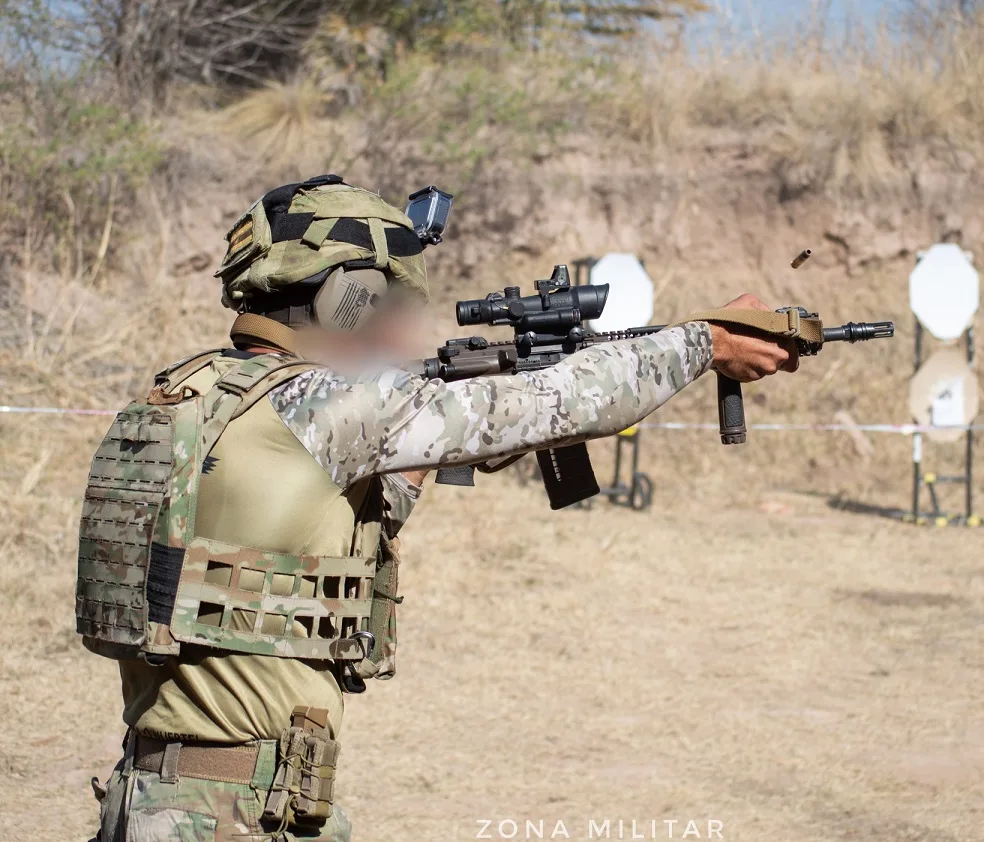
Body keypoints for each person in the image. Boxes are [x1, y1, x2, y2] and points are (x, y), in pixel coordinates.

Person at [79, 175, 797, 842]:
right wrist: (707, 340)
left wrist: (430, 447)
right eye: (391, 301)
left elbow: (295, 542)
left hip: (154, 796)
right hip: (236, 815)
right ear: (349, 295)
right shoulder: (325, 404)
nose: (400, 323)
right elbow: (573, 400)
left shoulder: (189, 397)